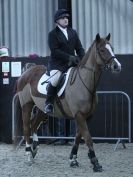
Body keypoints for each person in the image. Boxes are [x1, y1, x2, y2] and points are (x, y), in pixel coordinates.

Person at [44, 9, 85, 114]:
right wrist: (70, 57)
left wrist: (83, 58)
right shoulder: (52, 34)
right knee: (55, 79)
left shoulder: (73, 32)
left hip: (71, 64)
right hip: (57, 65)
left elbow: (79, 48)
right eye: (63, 18)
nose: (66, 19)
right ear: (57, 21)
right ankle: (48, 103)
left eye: (67, 17)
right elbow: (55, 51)